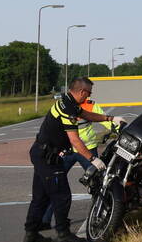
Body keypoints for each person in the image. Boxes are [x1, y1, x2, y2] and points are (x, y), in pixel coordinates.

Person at [22, 77, 126, 242]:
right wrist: (93, 158)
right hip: (49, 158)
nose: (89, 97)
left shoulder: (66, 101)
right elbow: (75, 140)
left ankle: (31, 234)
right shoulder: (68, 109)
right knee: (62, 196)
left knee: (40, 196)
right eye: (88, 93)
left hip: (41, 153)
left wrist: (110, 119)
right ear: (82, 92)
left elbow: (85, 114)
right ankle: (63, 235)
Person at [39, 97, 113, 229]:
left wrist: (116, 126)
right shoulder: (64, 105)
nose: (88, 95)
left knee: (98, 183)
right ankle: (45, 220)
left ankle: (101, 214)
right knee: (55, 184)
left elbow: (103, 119)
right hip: (68, 149)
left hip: (86, 149)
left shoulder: (90, 105)